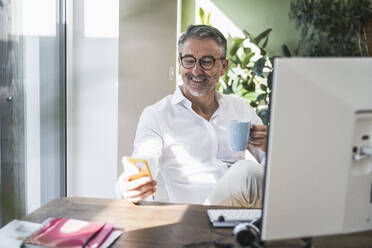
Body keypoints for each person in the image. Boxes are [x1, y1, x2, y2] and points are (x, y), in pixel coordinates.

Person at [117, 25, 268, 207]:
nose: (196, 71)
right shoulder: (157, 115)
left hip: (240, 216)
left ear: (223, 67)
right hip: (192, 218)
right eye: (189, 61)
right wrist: (127, 187)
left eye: (207, 61)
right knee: (248, 172)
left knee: (259, 175)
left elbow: (274, 169)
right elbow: (143, 163)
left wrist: (270, 148)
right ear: (180, 63)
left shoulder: (240, 109)